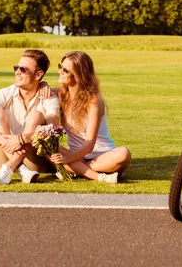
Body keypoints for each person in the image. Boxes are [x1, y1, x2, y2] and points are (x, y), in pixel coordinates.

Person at [0, 49, 60, 185]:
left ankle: (11, 168)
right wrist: (9, 142)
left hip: (35, 159)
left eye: (23, 69)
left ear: (38, 75)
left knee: (36, 115)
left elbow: (52, 131)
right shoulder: (2, 94)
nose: (17, 72)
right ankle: (20, 168)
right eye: (16, 68)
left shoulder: (49, 98)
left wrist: (22, 139)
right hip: (3, 156)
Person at [49, 51, 131, 183]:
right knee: (47, 145)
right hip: (77, 156)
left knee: (124, 154)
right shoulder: (61, 93)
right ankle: (98, 176)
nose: (60, 72)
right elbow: (41, 89)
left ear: (79, 75)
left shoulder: (93, 100)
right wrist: (42, 86)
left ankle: (76, 171)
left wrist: (67, 161)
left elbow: (89, 144)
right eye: (60, 67)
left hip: (102, 156)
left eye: (65, 70)